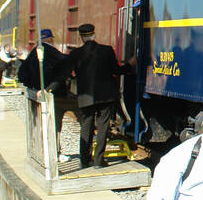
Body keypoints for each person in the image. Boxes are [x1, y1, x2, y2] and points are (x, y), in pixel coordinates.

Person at [68, 23, 130, 168]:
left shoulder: (75, 54)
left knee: (86, 126)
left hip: (86, 96)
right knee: (103, 127)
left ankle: (84, 160)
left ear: (81, 37)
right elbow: (117, 71)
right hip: (106, 96)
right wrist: (130, 65)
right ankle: (98, 161)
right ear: (94, 34)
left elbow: (68, 73)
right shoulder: (107, 50)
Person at [19, 28, 76, 160]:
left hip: (37, 94)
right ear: (51, 39)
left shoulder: (34, 52)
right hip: (54, 95)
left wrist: (34, 87)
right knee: (54, 124)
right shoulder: (52, 52)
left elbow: (22, 74)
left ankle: (44, 152)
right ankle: (54, 154)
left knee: (42, 124)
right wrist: (49, 88)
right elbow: (65, 68)